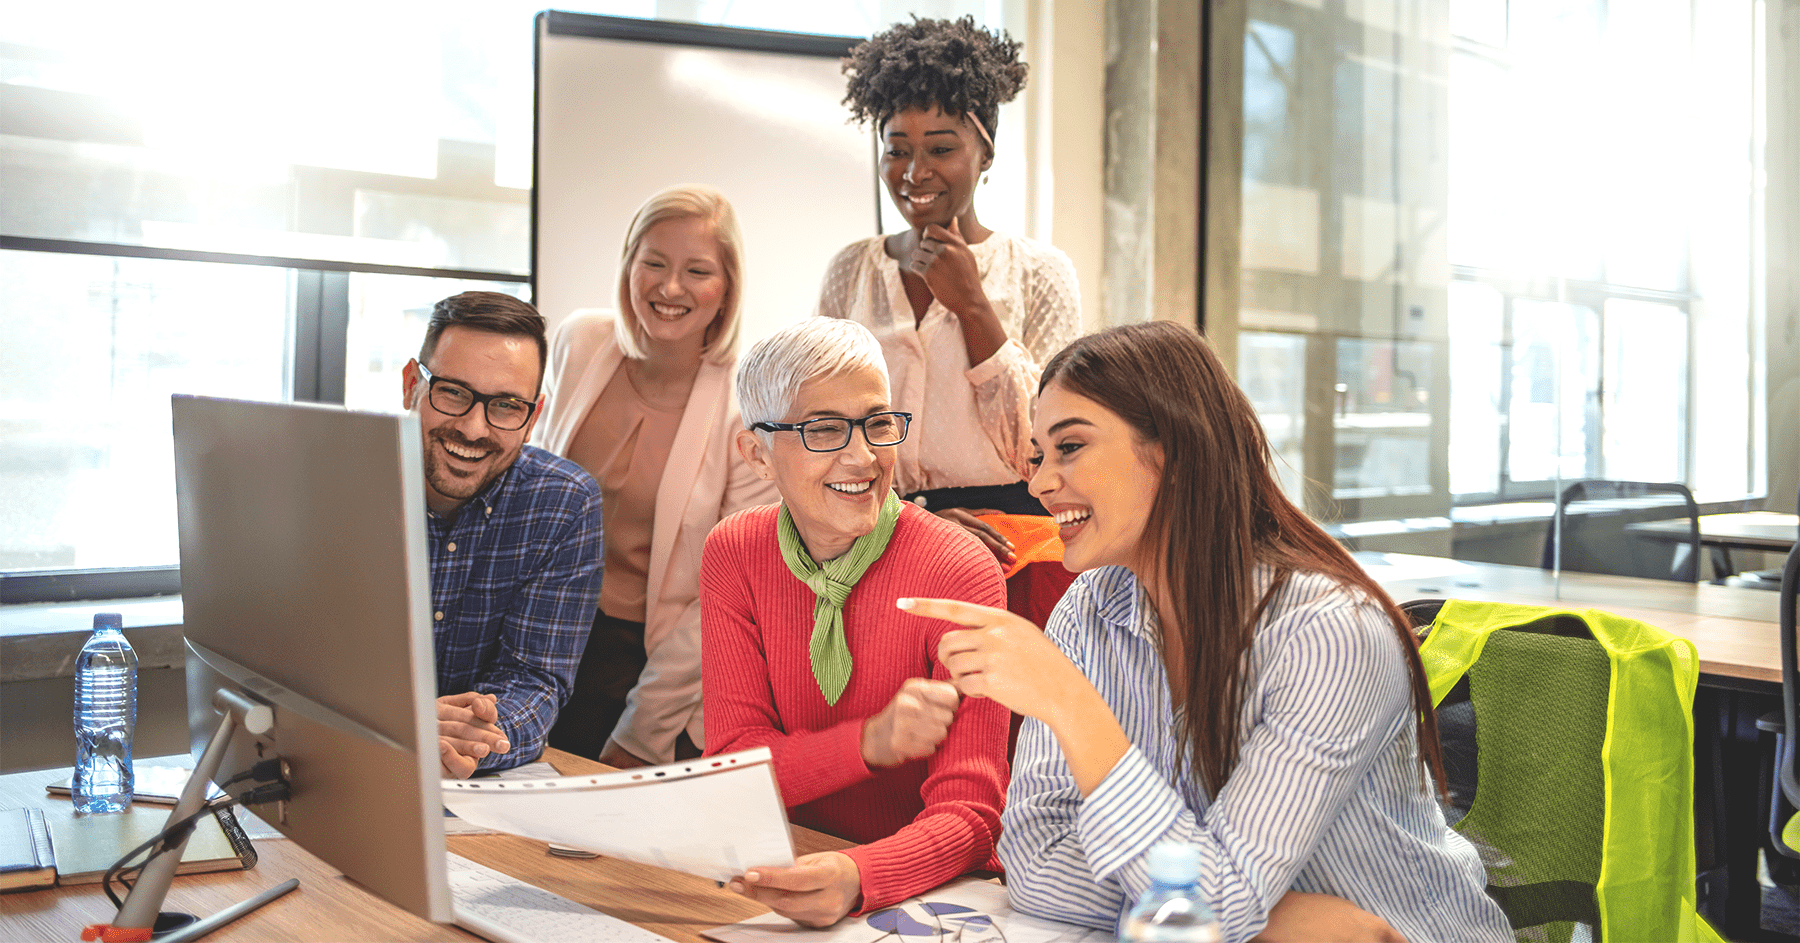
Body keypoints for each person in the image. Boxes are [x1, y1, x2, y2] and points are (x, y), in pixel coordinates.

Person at [907, 322, 1514, 942]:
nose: (1038, 483)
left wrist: (1070, 705)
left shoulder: (1330, 633)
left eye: (1070, 448)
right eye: (1040, 455)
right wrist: (1267, 921)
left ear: (1172, 452)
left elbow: (1216, 906)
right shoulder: (1089, 610)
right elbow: (1036, 868)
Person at [702, 318, 1010, 926]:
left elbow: (972, 815)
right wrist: (869, 743)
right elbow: (732, 770)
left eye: (876, 422)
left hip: (922, 899)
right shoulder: (734, 552)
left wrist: (860, 875)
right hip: (784, 873)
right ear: (756, 453)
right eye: (823, 429)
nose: (863, 456)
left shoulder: (960, 568)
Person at [821, 15, 1080, 567]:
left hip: (1014, 546)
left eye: (940, 149)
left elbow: (1047, 449)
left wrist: (972, 304)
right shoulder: (853, 270)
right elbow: (822, 425)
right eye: (897, 150)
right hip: (876, 537)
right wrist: (910, 521)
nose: (915, 173)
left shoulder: (1038, 272)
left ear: (984, 154)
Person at [538, 185, 777, 768]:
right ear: (628, 266)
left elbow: (724, 597)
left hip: (648, 661)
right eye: (654, 263)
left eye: (697, 271)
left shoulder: (747, 408)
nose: (670, 288)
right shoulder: (578, 340)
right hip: (544, 633)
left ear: (727, 290)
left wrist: (641, 733)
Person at [400, 291, 605, 779]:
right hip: (344, 762)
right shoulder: (335, 476)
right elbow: (294, 669)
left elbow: (535, 679)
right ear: (412, 385)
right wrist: (402, 727)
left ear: (532, 418)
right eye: (452, 392)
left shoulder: (564, 503)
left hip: (472, 786)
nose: (473, 428)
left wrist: (467, 743)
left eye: (507, 406)